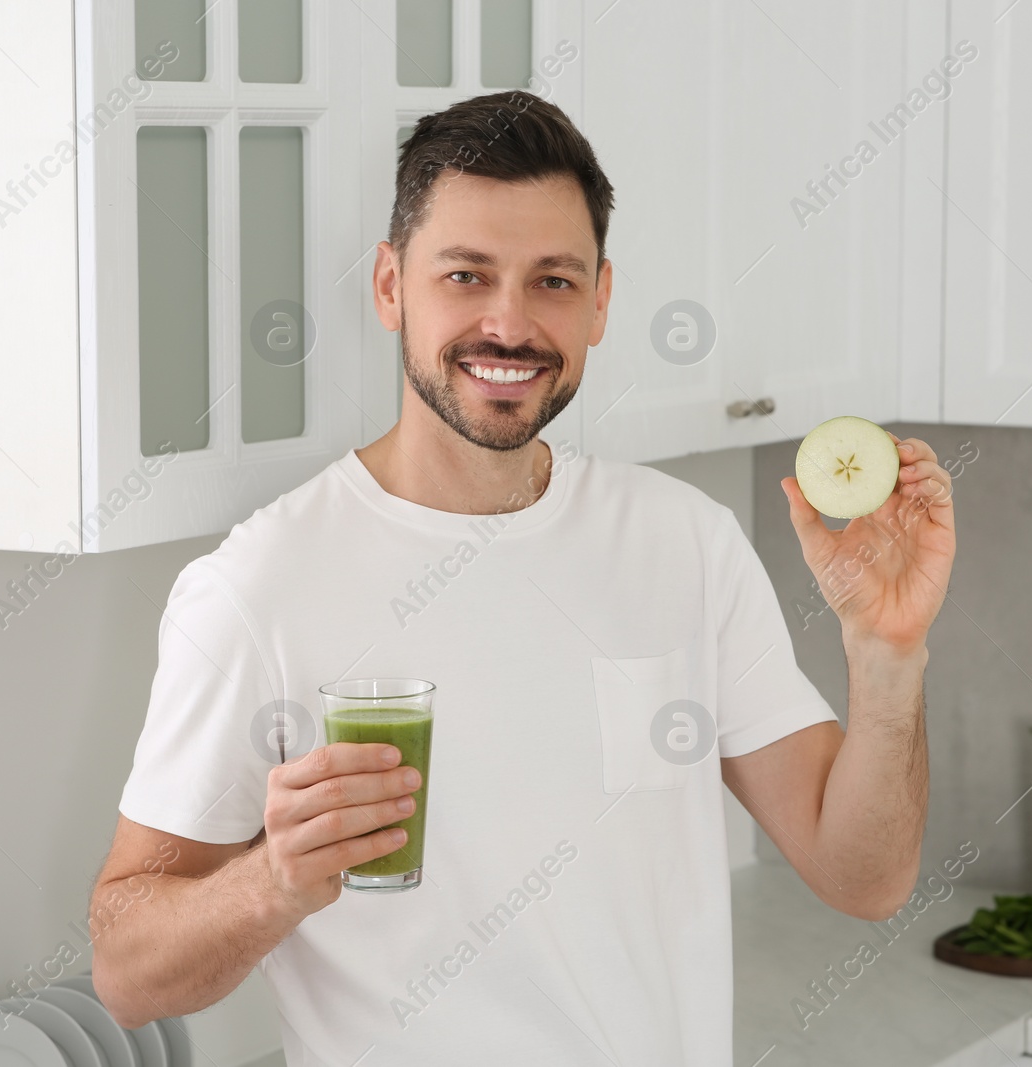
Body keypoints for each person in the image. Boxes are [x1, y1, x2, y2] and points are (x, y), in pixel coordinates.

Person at [89, 90, 955, 1065]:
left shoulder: (684, 543)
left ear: (599, 301)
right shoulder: (260, 584)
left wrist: (887, 657)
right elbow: (126, 967)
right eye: (465, 274)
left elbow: (863, 875)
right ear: (389, 286)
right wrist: (273, 880)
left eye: (551, 281)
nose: (507, 323)